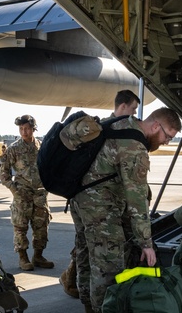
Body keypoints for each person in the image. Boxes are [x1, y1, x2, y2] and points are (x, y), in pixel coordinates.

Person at [65, 107, 180, 313]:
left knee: (86, 258)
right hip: (101, 210)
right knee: (107, 267)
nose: (166, 142)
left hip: (79, 200)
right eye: (167, 136)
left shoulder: (118, 123)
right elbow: (137, 200)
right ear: (155, 126)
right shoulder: (134, 147)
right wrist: (146, 243)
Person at [61, 89, 144, 297]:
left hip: (78, 200)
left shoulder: (95, 129)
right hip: (101, 206)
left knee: (83, 252)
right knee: (104, 264)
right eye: (133, 109)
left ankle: (86, 308)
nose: (134, 114)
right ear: (123, 106)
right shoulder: (122, 133)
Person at [0, 115, 53, 271]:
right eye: (21, 129)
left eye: (27, 128)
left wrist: (48, 186)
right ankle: (23, 258)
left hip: (40, 195)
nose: (24, 131)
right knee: (20, 227)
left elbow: (49, 169)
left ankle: (38, 256)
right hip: (22, 194)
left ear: (33, 129)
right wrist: (14, 190)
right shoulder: (14, 149)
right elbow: (4, 174)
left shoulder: (42, 147)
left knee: (41, 226)